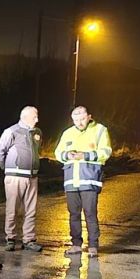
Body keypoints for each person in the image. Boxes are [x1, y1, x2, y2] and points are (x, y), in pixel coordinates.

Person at [53, 105, 112, 258]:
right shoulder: (68, 133)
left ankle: (93, 245)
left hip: (90, 179)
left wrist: (84, 156)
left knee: (90, 213)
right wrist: (67, 155)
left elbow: (106, 152)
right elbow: (58, 153)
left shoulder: (100, 130)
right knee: (73, 214)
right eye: (76, 120)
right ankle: (76, 244)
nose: (79, 122)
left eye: (82, 119)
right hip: (71, 180)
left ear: (89, 116)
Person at [0, 105, 44, 252]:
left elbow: (36, 151)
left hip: (32, 177)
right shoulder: (11, 131)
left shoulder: (37, 132)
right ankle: (10, 238)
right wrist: (7, 169)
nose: (37, 119)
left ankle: (29, 239)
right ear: (25, 117)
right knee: (12, 209)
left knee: (31, 210)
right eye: (35, 116)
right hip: (15, 177)